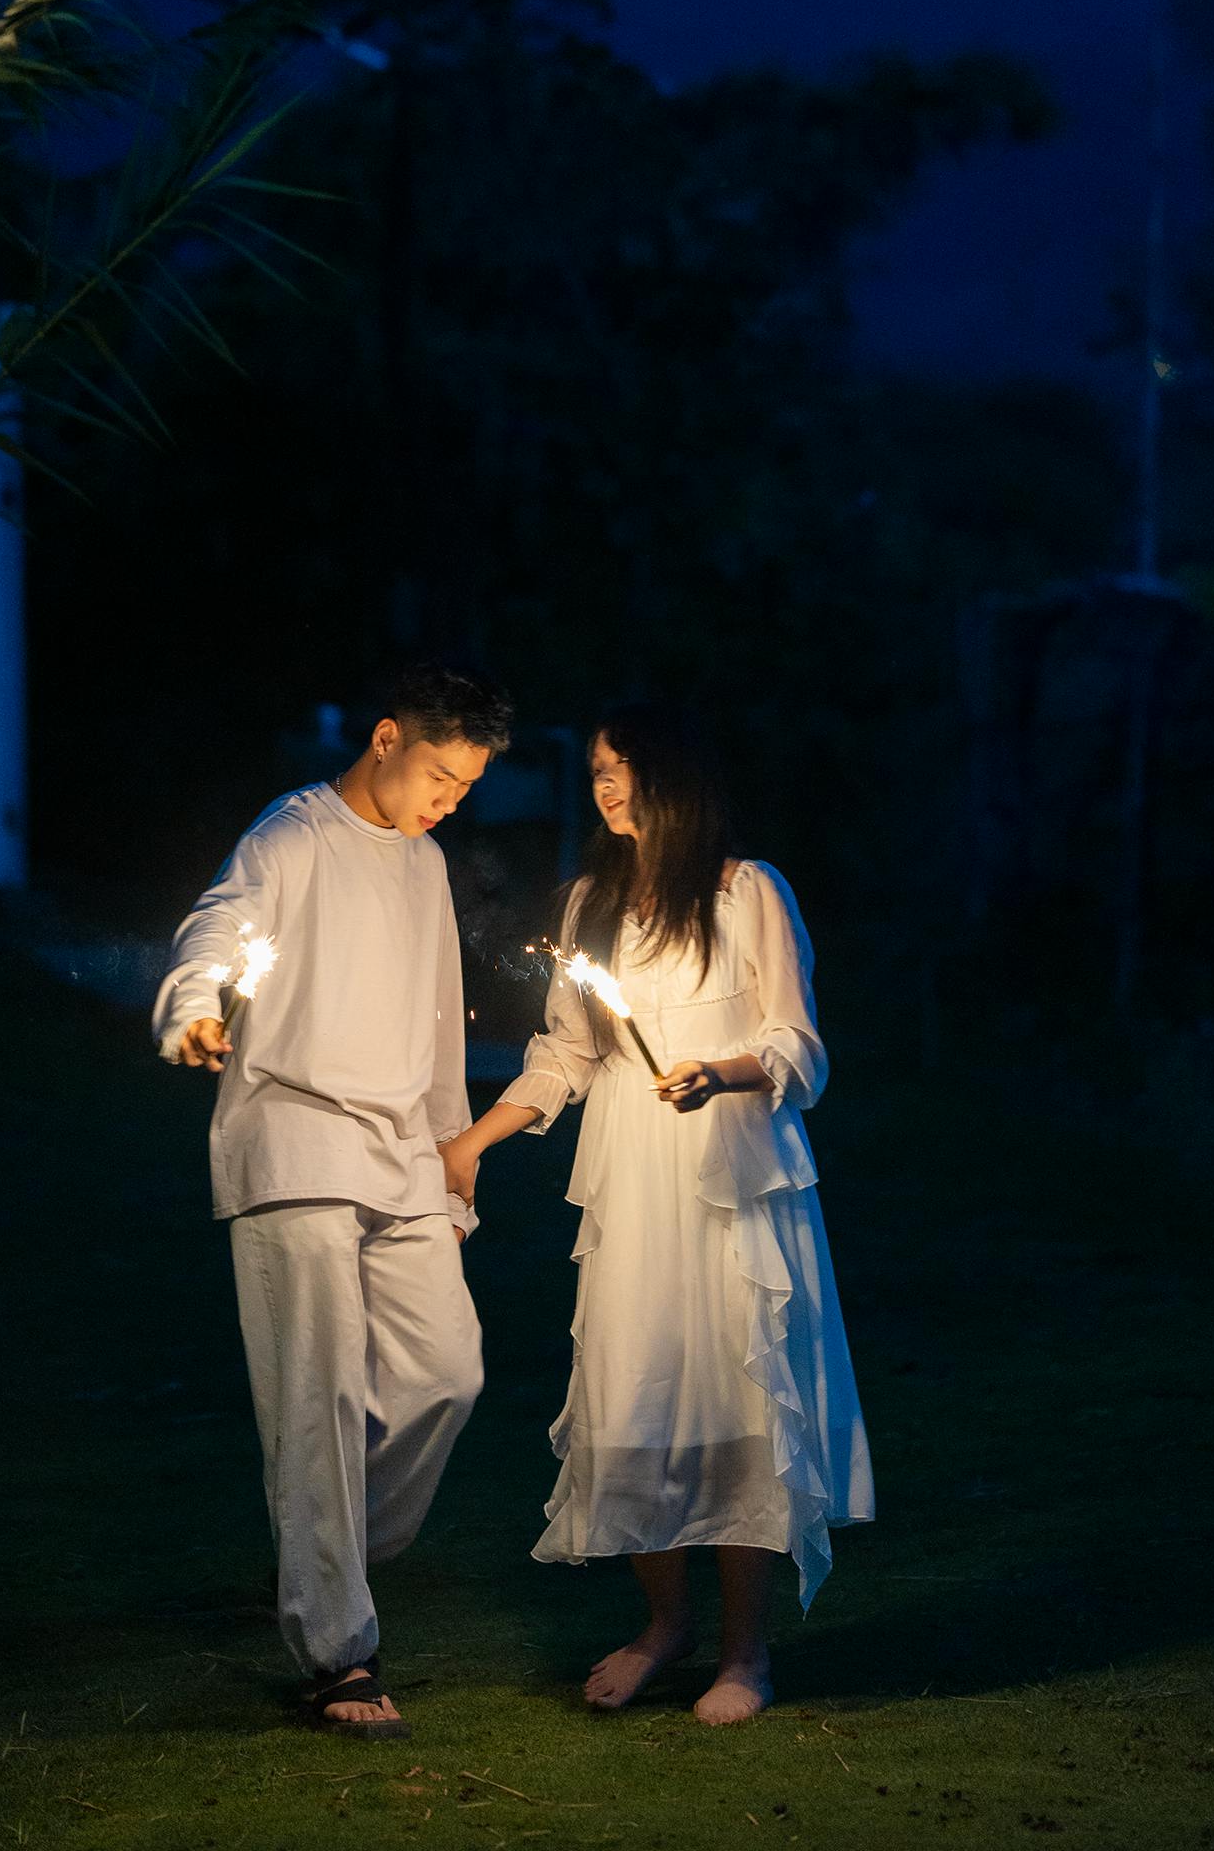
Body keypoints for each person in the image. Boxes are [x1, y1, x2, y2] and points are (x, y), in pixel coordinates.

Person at [440, 703, 873, 1725]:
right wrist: (471, 1142)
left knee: (735, 1402)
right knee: (632, 1397)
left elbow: (797, 1047)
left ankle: (744, 1655)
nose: (604, 785)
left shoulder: (746, 892)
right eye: (594, 769)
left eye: (622, 768)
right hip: (633, 1178)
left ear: (674, 780)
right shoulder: (590, 900)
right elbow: (566, 1052)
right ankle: (659, 1624)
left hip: (731, 1176)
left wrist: (723, 1073)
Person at [152, 658, 512, 1739]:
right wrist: (192, 1011)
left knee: (447, 1371)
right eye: (441, 775)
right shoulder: (291, 837)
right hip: (293, 1138)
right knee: (311, 1401)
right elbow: (214, 929)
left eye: (467, 786)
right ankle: (337, 1653)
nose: (450, 800)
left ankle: (338, 1550)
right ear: (389, 737)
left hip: (401, 1147)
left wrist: (454, 1147)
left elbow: (439, 1012)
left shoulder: (425, 861)